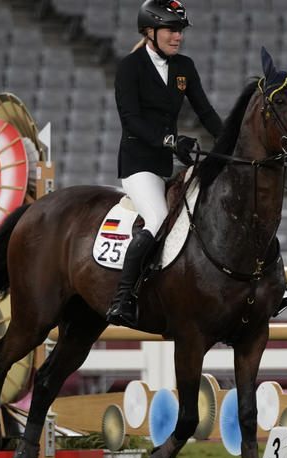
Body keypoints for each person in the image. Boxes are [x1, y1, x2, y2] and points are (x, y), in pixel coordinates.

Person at [106, 0, 223, 327]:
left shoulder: (185, 66)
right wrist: (171, 141)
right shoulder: (129, 67)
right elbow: (131, 120)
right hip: (138, 165)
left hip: (168, 164)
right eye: (172, 30)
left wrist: (231, 141)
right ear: (149, 31)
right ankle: (123, 297)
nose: (178, 37)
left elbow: (206, 112)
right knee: (157, 216)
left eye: (180, 31)